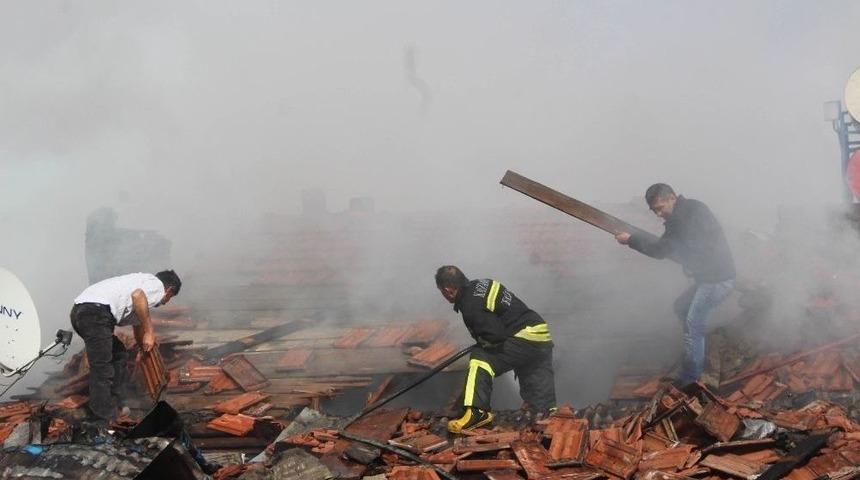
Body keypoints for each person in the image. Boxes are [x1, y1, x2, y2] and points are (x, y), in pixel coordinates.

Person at [615, 183, 735, 385]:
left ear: (671, 197)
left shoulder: (678, 219)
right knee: (681, 307)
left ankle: (691, 379)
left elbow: (661, 251)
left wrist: (630, 241)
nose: (659, 215)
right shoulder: (694, 207)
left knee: (693, 323)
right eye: (655, 211)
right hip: (714, 275)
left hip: (716, 280)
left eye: (660, 208)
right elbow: (675, 244)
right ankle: (692, 351)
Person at [435, 265, 556, 433]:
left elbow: (495, 336)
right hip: (540, 334)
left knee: (480, 357)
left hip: (525, 337)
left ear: (448, 290)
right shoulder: (481, 284)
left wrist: (483, 343)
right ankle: (545, 412)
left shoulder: (470, 305)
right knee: (534, 375)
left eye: (441, 292)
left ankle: (477, 413)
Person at [70, 270, 181, 425]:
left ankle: (113, 405)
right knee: (102, 368)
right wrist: (150, 332)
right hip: (94, 314)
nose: (166, 301)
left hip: (82, 312)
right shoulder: (156, 286)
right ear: (169, 290)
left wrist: (142, 347)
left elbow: (137, 322)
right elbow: (137, 296)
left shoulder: (142, 282)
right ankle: (103, 418)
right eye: (169, 298)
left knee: (119, 355)